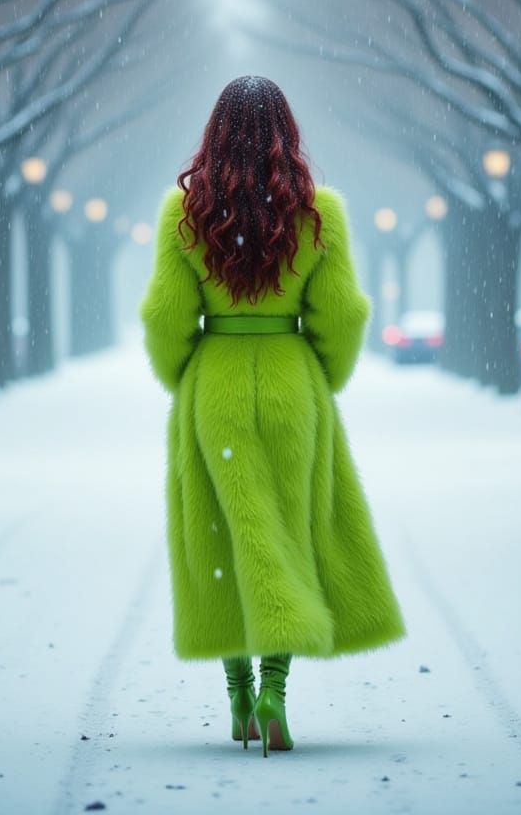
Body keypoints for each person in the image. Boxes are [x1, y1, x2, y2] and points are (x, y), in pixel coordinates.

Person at [139, 76, 406, 757]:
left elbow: (166, 317)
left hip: (216, 384)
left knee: (221, 534)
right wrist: (321, 374)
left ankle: (237, 695)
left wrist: (184, 374)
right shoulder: (320, 215)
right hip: (292, 383)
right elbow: (343, 315)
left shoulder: (183, 215)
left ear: (214, 133)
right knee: (289, 530)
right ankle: (275, 691)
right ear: (287, 133)